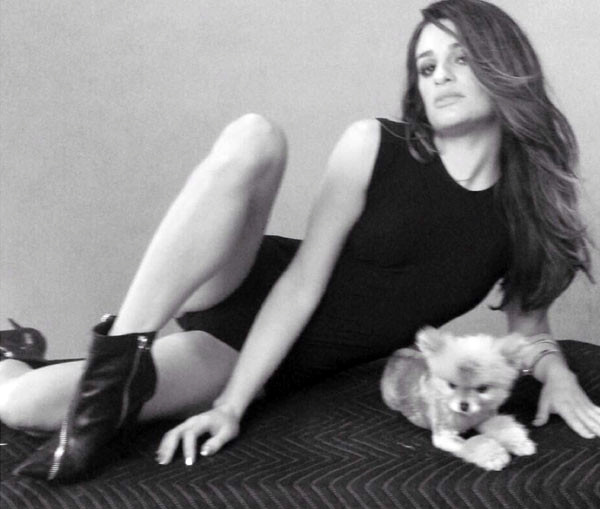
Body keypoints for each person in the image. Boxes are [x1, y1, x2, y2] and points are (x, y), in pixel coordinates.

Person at [1, 0, 599, 481]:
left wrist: (559, 375)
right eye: (426, 66)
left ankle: (11, 354)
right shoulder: (374, 145)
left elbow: (530, 330)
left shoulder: (527, 211)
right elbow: (300, 284)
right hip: (251, 280)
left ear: (502, 65)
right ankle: (121, 356)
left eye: (460, 58)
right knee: (254, 137)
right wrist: (232, 406)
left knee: (21, 405)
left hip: (246, 350)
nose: (440, 74)